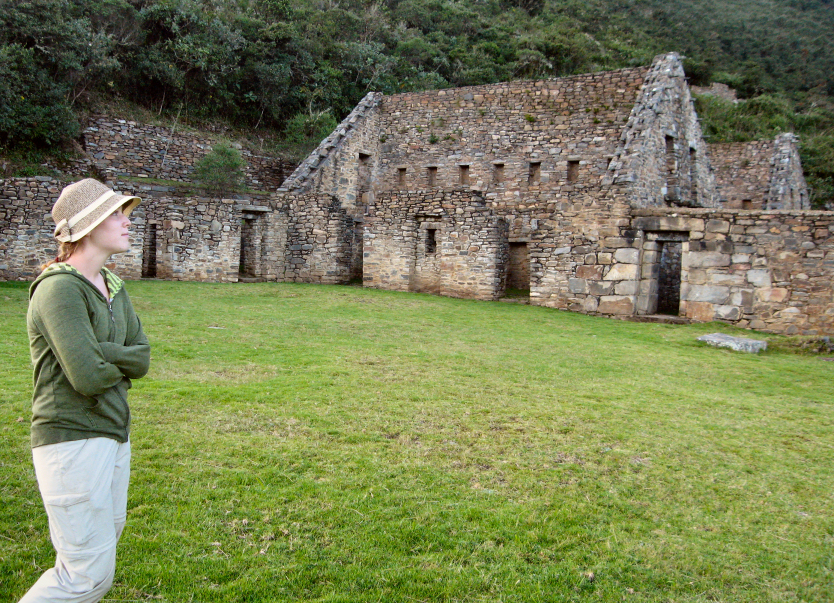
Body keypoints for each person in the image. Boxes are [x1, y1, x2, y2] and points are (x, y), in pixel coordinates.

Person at [20, 178, 151, 603]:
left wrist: (103, 350)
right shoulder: (59, 288)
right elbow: (87, 377)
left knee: (99, 564)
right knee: (84, 577)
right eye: (115, 213)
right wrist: (114, 356)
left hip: (114, 433)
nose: (125, 221)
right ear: (89, 226)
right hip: (71, 440)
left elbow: (142, 357)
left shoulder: (112, 285)